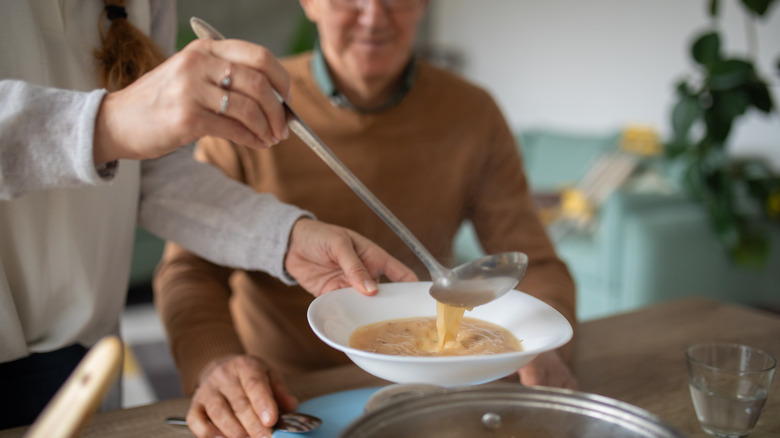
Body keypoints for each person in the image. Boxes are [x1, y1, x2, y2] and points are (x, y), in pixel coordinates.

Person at [153, 0, 579, 437]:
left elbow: (537, 264)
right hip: (286, 396)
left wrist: (539, 347)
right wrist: (216, 362)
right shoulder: (251, 110)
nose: (374, 15)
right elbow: (189, 270)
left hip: (433, 393)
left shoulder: (473, 113)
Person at [0, 0, 417, 430]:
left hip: (87, 355)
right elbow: (182, 265)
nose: (374, 14)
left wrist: (286, 238)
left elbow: (149, 172)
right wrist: (108, 122)